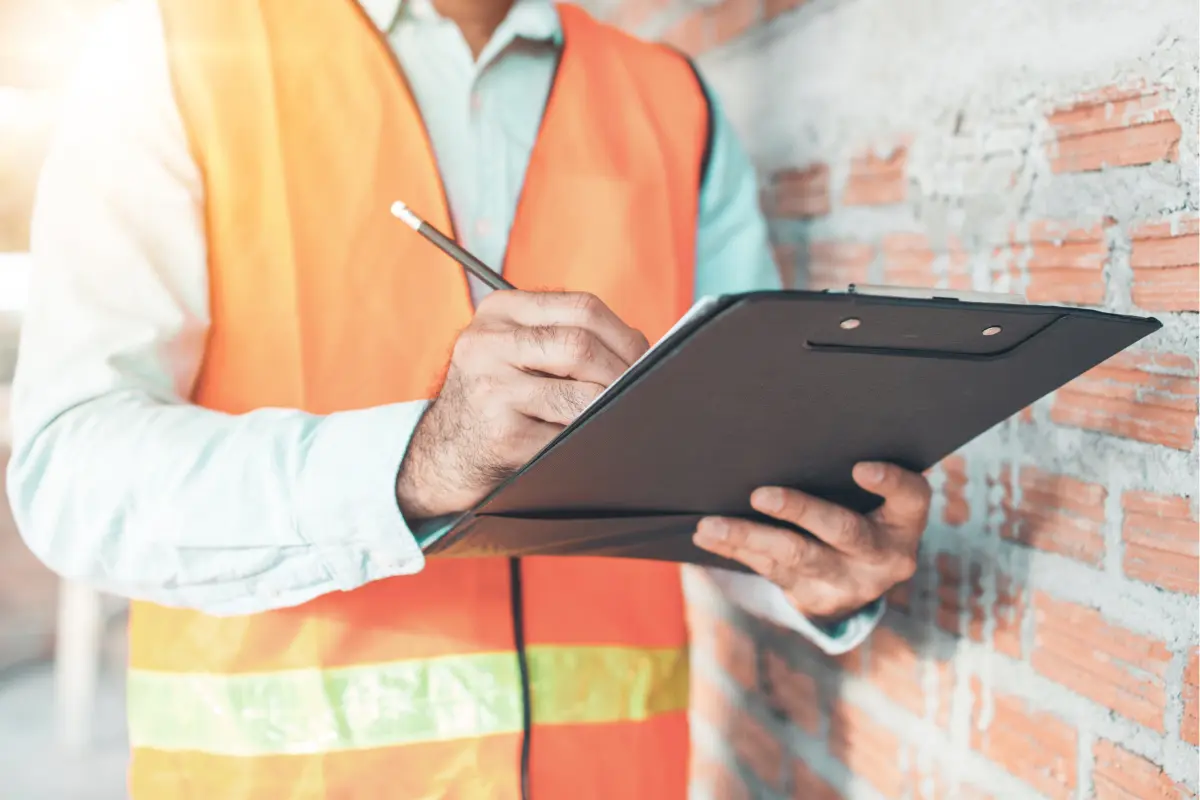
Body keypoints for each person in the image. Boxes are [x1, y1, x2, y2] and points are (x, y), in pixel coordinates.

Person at [7, 0, 931, 797]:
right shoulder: (174, 52)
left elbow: (735, 471)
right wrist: (420, 462)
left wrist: (818, 568)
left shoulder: (676, 106)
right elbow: (69, 473)